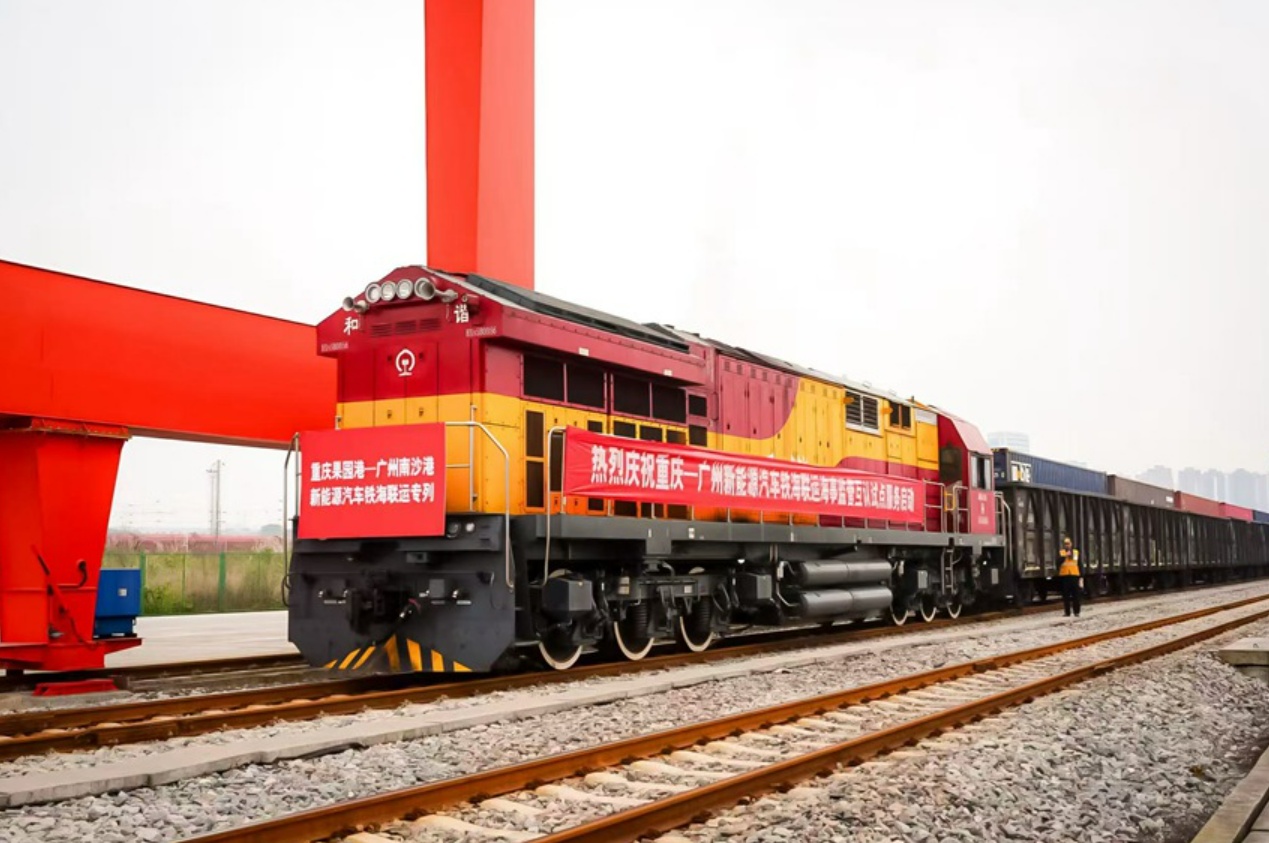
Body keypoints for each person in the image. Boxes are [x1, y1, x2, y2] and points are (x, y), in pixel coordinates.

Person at [1058, 537, 1082, 617]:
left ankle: (1076, 612)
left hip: (1074, 575)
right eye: (1065, 544)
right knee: (1066, 596)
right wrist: (1065, 556)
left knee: (1076, 595)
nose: (1067, 545)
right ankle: (1067, 612)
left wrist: (1081, 576)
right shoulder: (1061, 553)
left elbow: (1079, 564)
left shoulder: (1076, 553)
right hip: (1065, 576)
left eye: (1068, 544)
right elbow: (1058, 563)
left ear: (1071, 544)